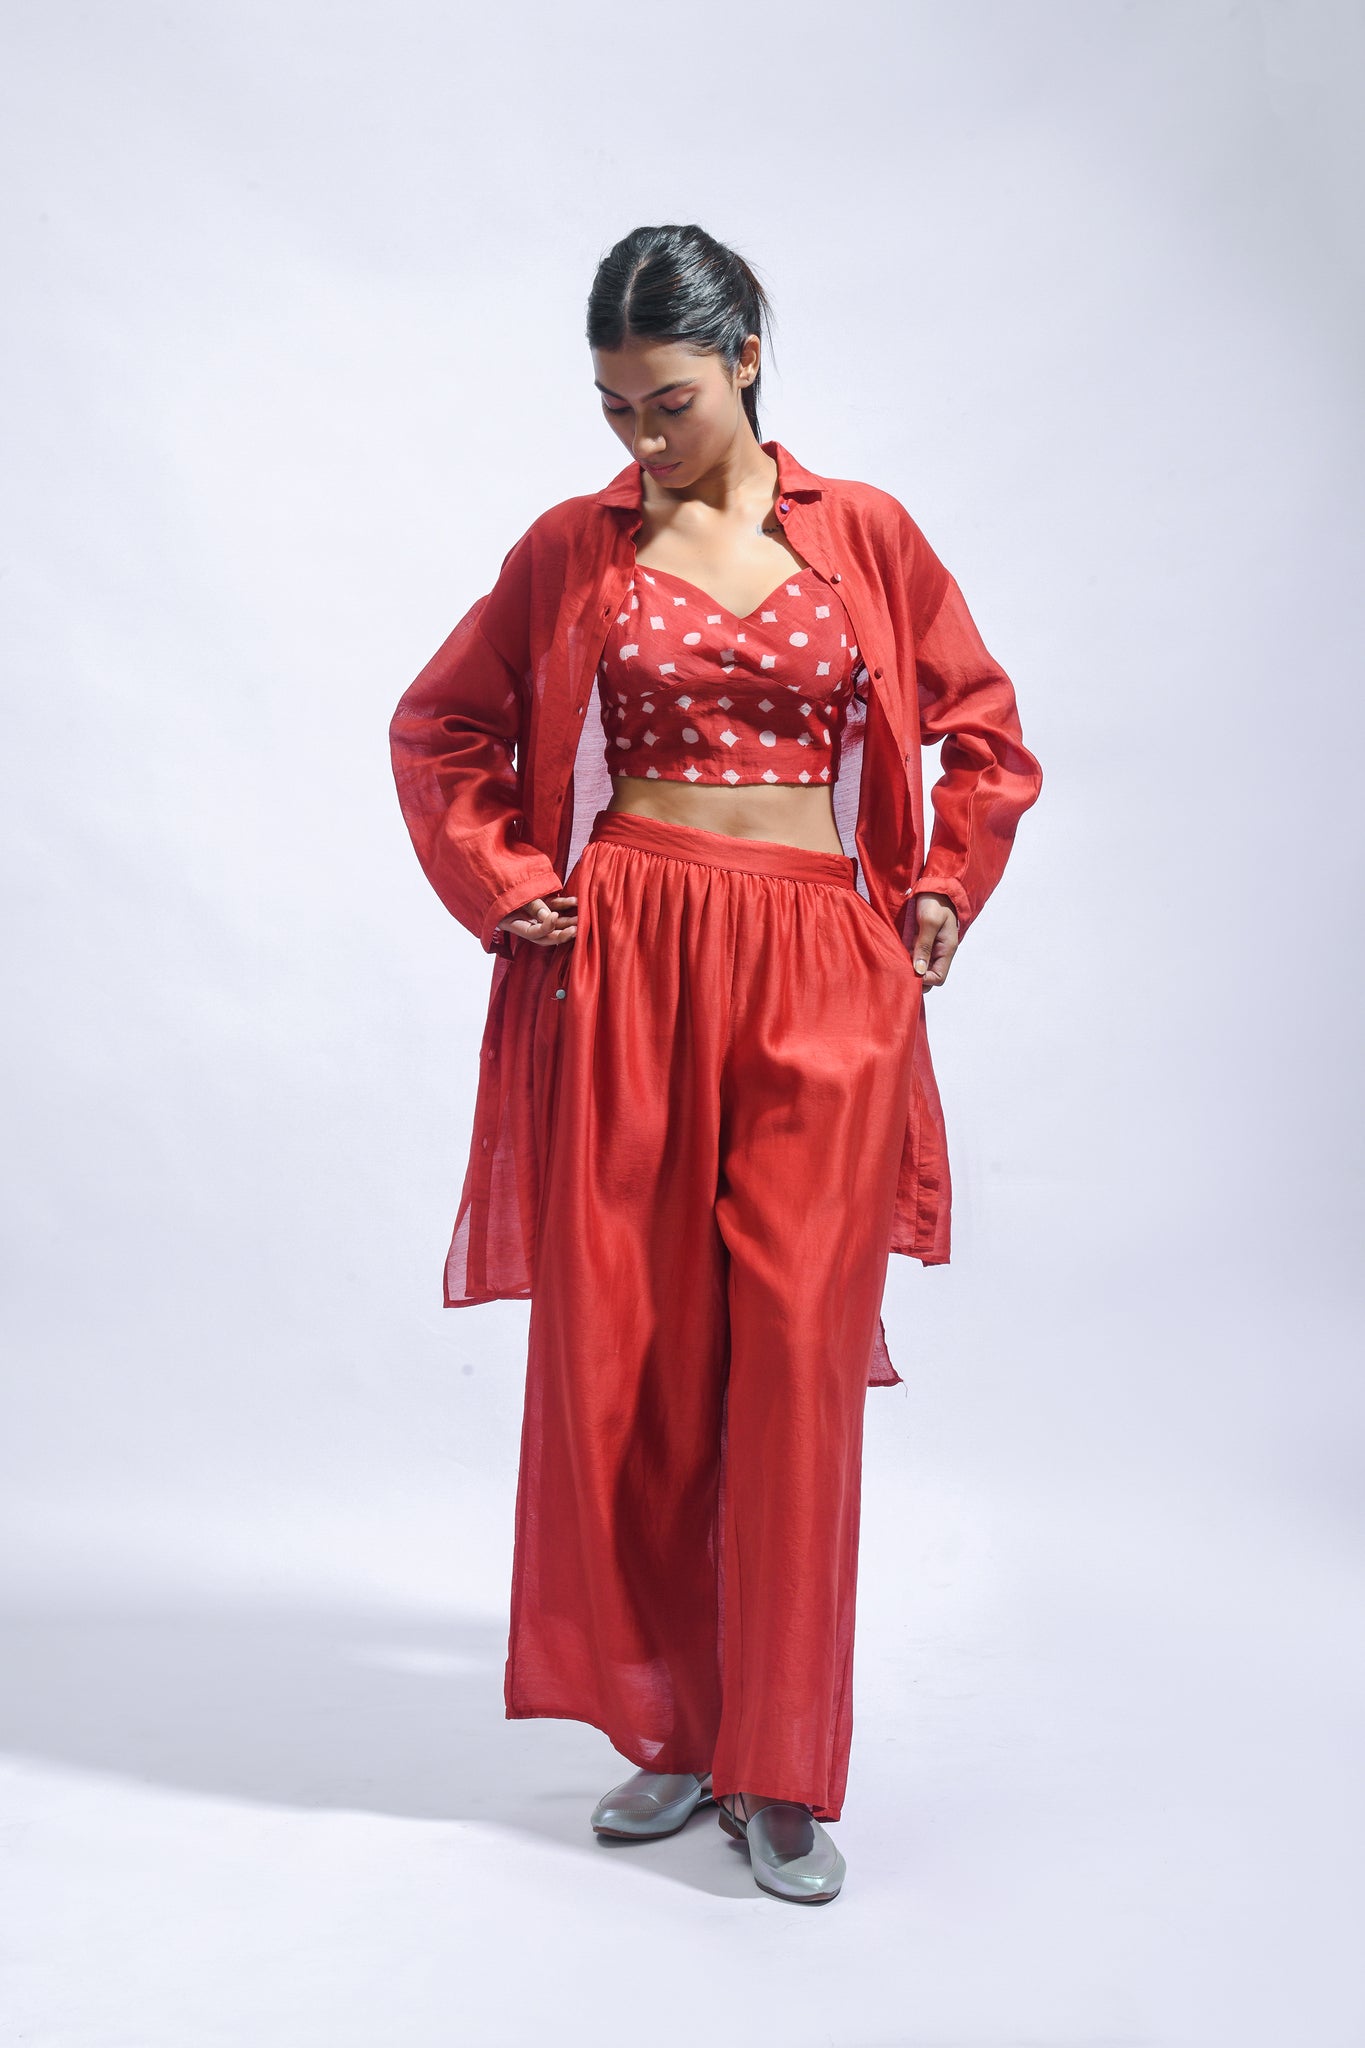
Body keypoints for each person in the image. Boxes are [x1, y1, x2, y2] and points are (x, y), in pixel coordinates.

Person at [388, 223, 1043, 1905]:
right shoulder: (573, 548)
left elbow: (982, 732)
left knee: (797, 1362)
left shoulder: (864, 534)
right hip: (630, 959)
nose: (640, 437)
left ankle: (781, 1762)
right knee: (650, 1358)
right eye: (613, 407)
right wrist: (511, 885)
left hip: (819, 964)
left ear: (745, 358)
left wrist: (941, 885)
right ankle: (674, 1730)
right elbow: (439, 726)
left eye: (666, 401)